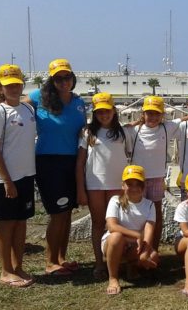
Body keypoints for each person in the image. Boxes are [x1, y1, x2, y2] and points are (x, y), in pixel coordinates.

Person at [28, 58, 86, 275]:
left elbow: (86, 130)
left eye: (67, 77)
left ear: (73, 78)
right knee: (58, 213)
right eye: (58, 78)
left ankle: (61, 257)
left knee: (68, 211)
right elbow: (15, 109)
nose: (64, 81)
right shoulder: (37, 98)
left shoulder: (79, 102)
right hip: (48, 161)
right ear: (52, 81)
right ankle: (50, 262)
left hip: (72, 161)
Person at [0, 64, 36, 287]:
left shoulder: (28, 110)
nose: (14, 88)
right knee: (7, 224)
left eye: (17, 84)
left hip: (25, 175)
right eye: (9, 85)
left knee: (21, 222)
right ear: (1, 87)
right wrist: (7, 180)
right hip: (4, 178)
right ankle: (5, 271)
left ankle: (18, 266)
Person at [75, 92, 131, 278]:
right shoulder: (87, 132)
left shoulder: (123, 132)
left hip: (118, 184)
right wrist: (81, 189)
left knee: (118, 224)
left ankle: (122, 261)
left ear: (114, 111)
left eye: (107, 111)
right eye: (100, 112)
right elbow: (80, 163)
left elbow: (131, 155)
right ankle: (100, 263)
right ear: (95, 113)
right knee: (98, 223)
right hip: (95, 185)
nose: (104, 115)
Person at [127, 95, 180, 250]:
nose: (153, 117)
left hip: (157, 178)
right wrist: (134, 123)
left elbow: (187, 119)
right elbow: (121, 129)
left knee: (156, 215)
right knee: (136, 215)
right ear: (143, 114)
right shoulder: (134, 130)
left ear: (162, 115)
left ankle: (153, 249)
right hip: (137, 179)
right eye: (149, 113)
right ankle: (137, 249)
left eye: (157, 113)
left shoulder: (166, 127)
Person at [102, 165, 160, 295]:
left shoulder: (149, 205)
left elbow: (149, 231)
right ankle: (113, 278)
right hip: (115, 242)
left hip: (136, 244)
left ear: (143, 186)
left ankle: (131, 266)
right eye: (129, 184)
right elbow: (112, 226)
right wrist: (137, 235)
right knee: (116, 236)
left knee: (153, 257)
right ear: (123, 185)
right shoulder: (115, 200)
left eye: (137, 184)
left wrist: (145, 252)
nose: (134, 188)